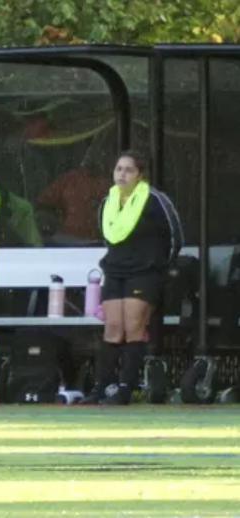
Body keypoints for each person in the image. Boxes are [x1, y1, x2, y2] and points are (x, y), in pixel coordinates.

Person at [85, 150, 183, 405]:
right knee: (112, 329)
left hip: (144, 273)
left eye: (129, 170)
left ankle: (126, 389)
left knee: (133, 328)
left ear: (140, 174)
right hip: (115, 271)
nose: (122, 174)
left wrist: (159, 266)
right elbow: (108, 236)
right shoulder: (108, 201)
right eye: (118, 169)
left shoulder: (155, 200)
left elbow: (175, 237)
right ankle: (101, 387)